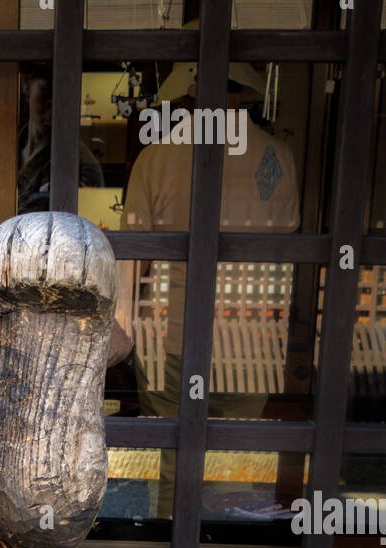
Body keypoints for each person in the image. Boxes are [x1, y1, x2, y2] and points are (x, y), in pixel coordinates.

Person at [109, 50, 300, 518]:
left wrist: (122, 328)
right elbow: (286, 252)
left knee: (171, 457)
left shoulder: (157, 157)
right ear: (247, 96)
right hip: (250, 338)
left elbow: (134, 256)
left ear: (190, 95)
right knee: (232, 460)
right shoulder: (279, 157)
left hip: (170, 337)